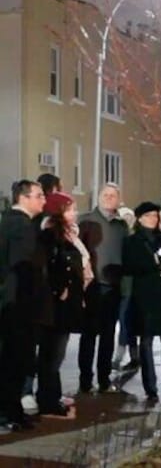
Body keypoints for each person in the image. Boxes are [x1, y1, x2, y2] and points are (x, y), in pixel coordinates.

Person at [35, 191, 92, 418]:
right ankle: (47, 399)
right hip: (55, 306)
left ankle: (52, 396)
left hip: (68, 305)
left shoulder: (69, 236)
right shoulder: (50, 237)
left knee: (57, 354)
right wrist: (60, 289)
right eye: (70, 209)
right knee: (51, 353)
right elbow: (49, 269)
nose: (74, 213)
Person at [123, 202, 161, 404]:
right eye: (148, 216)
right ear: (139, 218)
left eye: (155, 216)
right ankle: (151, 389)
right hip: (144, 296)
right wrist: (152, 264)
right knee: (146, 343)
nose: (153, 219)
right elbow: (129, 265)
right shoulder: (132, 241)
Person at [0, 180, 45, 431]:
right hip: (18, 304)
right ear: (23, 198)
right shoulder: (22, 226)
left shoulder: (8, 222)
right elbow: (24, 267)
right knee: (14, 360)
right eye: (38, 196)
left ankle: (12, 410)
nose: (43, 200)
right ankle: (9, 413)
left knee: (12, 359)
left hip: (11, 301)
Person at [78, 183, 129, 394]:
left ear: (118, 200)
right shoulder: (86, 221)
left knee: (108, 334)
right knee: (89, 334)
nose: (109, 198)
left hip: (114, 288)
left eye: (113, 196)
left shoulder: (122, 226)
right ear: (99, 197)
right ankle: (85, 380)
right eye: (105, 195)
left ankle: (104, 378)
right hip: (93, 286)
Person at [112, 206, 140, 373]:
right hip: (123, 288)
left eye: (130, 218)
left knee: (127, 323)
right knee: (125, 322)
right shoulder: (122, 240)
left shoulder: (133, 240)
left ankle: (123, 356)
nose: (128, 221)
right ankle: (129, 355)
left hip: (130, 289)